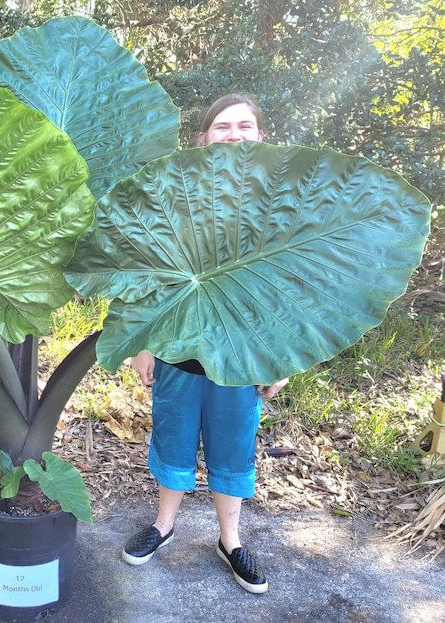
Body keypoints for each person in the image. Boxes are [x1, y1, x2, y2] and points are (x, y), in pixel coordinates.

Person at [121, 93, 289, 594]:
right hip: (178, 352)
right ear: (203, 138)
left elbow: (287, 290)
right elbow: (149, 273)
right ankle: (164, 525)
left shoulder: (278, 204)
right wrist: (143, 342)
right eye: (222, 127)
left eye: (244, 126)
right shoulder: (179, 195)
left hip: (239, 360)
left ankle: (230, 540)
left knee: (233, 448)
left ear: (260, 136)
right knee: (172, 439)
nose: (233, 134)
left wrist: (278, 358)